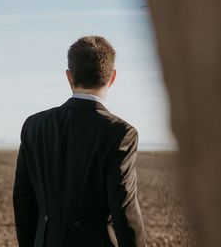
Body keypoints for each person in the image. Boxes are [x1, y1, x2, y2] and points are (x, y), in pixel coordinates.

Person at [13, 35, 146, 247]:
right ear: (112, 78)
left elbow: (23, 201)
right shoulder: (120, 133)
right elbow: (124, 210)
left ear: (69, 77)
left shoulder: (34, 125)